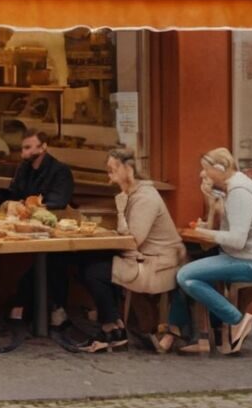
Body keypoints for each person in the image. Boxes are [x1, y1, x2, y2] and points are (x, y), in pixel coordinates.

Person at [160, 147, 252, 356]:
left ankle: (237, 320)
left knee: (186, 275)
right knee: (187, 275)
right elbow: (226, 230)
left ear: (219, 168)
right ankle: (217, 333)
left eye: (206, 169)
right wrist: (210, 203)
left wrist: (207, 235)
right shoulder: (233, 190)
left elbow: (236, 240)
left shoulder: (240, 192)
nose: (202, 174)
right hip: (244, 258)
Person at [72, 149, 186, 353]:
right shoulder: (133, 194)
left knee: (94, 272)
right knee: (83, 260)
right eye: (108, 169)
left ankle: (111, 329)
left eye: (113, 168)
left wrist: (119, 209)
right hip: (142, 259)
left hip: (156, 267)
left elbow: (134, 240)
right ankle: (115, 325)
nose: (109, 173)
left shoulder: (145, 198)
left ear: (129, 168)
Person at [0, 130, 75, 343]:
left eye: (29, 147)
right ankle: (45, 312)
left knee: (53, 262)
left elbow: (59, 201)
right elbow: (14, 194)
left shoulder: (60, 171)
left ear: (43, 147)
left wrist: (29, 206)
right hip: (29, 231)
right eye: (24, 147)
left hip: (56, 232)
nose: (24, 152)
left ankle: (41, 310)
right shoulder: (23, 169)